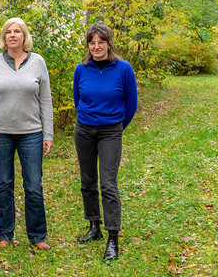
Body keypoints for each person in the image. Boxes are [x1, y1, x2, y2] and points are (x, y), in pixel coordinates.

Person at [0, 17, 54, 250]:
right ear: (4, 37)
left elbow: (45, 100)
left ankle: (37, 236)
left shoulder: (38, 62)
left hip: (31, 133)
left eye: (17, 32)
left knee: (33, 186)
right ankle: (4, 235)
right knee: (4, 184)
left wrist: (48, 134)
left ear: (24, 36)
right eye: (8, 32)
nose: (12, 35)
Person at [73, 22, 137, 260]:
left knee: (108, 183)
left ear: (109, 43)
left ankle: (112, 238)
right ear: (88, 45)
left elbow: (131, 105)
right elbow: (77, 98)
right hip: (84, 130)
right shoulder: (82, 69)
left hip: (110, 131)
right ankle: (94, 227)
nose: (96, 47)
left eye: (101, 43)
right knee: (87, 180)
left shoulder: (124, 69)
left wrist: (117, 127)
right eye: (92, 43)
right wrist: (87, 120)